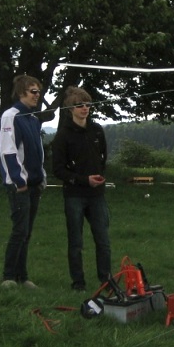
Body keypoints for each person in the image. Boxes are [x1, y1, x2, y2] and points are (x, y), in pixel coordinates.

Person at [51, 86, 111, 292]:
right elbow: (58, 169)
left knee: (103, 240)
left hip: (97, 195)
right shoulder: (63, 135)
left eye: (87, 104)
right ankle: (78, 283)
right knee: (76, 242)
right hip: (74, 195)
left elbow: (103, 158)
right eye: (79, 105)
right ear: (70, 109)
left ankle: (106, 281)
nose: (85, 108)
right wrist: (84, 180)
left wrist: (98, 177)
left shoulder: (97, 130)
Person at [0, 75, 47, 289]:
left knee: (27, 231)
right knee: (19, 230)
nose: (37, 95)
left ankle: (22, 276)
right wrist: (19, 181)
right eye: (33, 91)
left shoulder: (33, 119)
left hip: (34, 183)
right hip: (19, 185)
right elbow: (8, 150)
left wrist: (41, 176)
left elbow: (38, 151)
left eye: (38, 92)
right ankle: (8, 276)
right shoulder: (11, 116)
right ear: (21, 93)